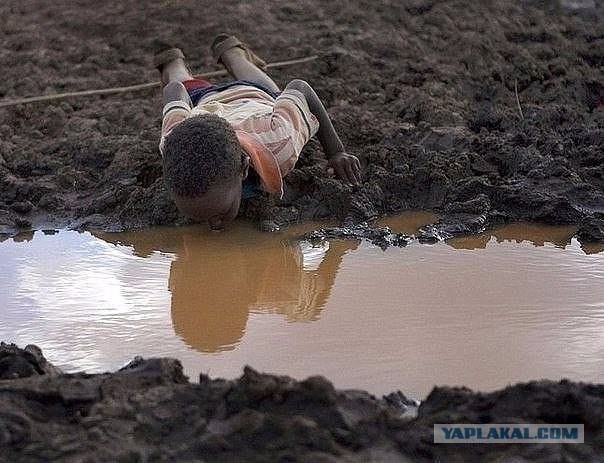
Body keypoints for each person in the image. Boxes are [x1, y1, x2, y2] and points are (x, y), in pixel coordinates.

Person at [155, 34, 361, 230]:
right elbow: (173, 89)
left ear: (244, 168)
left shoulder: (279, 141)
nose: (214, 226)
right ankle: (174, 62)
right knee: (178, 79)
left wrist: (336, 153)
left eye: (221, 213)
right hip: (206, 102)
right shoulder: (172, 143)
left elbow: (301, 88)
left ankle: (230, 54)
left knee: (269, 91)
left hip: (253, 98)